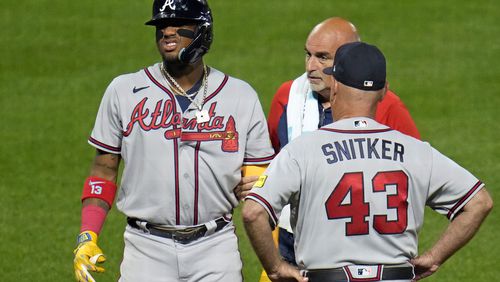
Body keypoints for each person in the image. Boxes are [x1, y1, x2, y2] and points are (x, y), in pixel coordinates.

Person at [243, 42, 493, 282]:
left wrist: (276, 269)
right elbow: (479, 202)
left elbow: (253, 212)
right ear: (384, 91)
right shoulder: (417, 152)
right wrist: (434, 257)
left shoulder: (301, 151)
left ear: (336, 87)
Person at [72, 0, 274, 281]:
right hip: (146, 248)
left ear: (203, 31)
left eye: (179, 24)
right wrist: (87, 235)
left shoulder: (241, 96)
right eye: (161, 25)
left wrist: (271, 260)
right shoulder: (124, 91)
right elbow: (103, 171)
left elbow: (260, 186)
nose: (167, 31)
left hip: (216, 248)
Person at [262, 17, 421, 280]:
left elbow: (412, 174)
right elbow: (274, 156)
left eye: (323, 57)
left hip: (360, 244)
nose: (311, 66)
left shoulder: (387, 105)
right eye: (308, 54)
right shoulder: (287, 96)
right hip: (293, 239)